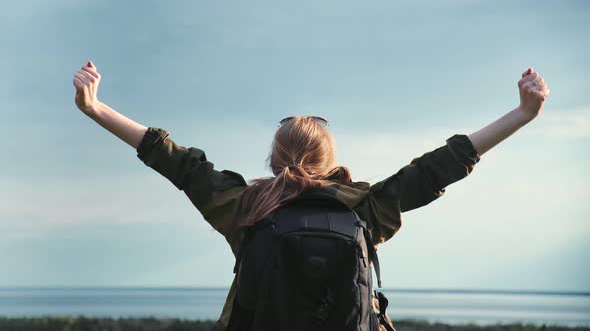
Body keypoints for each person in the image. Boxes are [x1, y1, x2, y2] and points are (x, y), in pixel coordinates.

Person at [72, 60, 550, 330]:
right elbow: (438, 167)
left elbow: (173, 160)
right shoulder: (365, 208)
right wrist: (523, 114)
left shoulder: (245, 207)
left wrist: (95, 108)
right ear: (331, 160)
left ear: (273, 159)